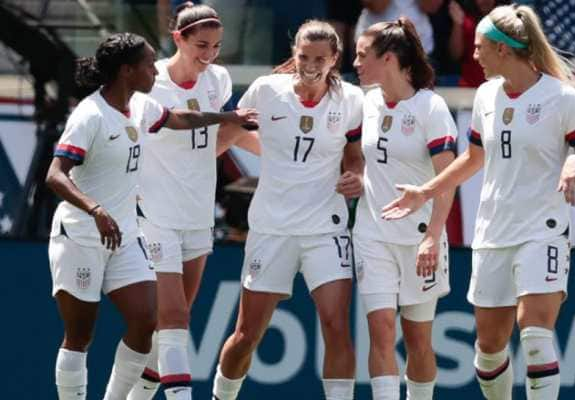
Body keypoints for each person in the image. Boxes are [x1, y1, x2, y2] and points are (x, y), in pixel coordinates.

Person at [381, 5, 575, 400]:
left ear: (503, 50)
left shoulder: (562, 98)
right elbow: (472, 159)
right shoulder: (486, 96)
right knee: (488, 351)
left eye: (481, 46)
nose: (474, 54)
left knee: (535, 334)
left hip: (543, 230)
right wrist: (425, 191)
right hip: (493, 232)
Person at [45, 32, 257, 400]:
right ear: (127, 71)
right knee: (80, 336)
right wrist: (95, 209)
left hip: (124, 236)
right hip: (81, 234)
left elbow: (180, 119)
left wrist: (229, 117)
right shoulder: (90, 115)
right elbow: (55, 174)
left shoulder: (141, 105)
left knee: (146, 323)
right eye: (146, 64)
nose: (153, 70)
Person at [212, 20, 364, 400]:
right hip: (272, 228)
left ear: (334, 60)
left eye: (319, 59)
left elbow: (355, 156)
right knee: (247, 336)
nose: (310, 65)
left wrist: (355, 176)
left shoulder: (352, 100)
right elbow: (226, 139)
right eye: (303, 57)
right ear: (293, 55)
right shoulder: (266, 91)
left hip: (325, 229)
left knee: (336, 326)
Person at [126, 3, 260, 400]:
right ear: (178, 39)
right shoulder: (150, 82)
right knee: (173, 317)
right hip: (155, 215)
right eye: (201, 45)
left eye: (216, 47)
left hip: (197, 213)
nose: (209, 55)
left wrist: (283, 152)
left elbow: (219, 141)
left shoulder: (217, 79)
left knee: (168, 328)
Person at [352, 17, 457, 400]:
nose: (356, 62)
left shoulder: (431, 107)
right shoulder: (365, 103)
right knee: (380, 331)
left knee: (418, 341)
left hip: (419, 240)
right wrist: (354, 179)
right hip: (371, 233)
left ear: (390, 58)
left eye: (363, 55)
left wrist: (432, 237)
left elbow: (448, 180)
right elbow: (361, 162)